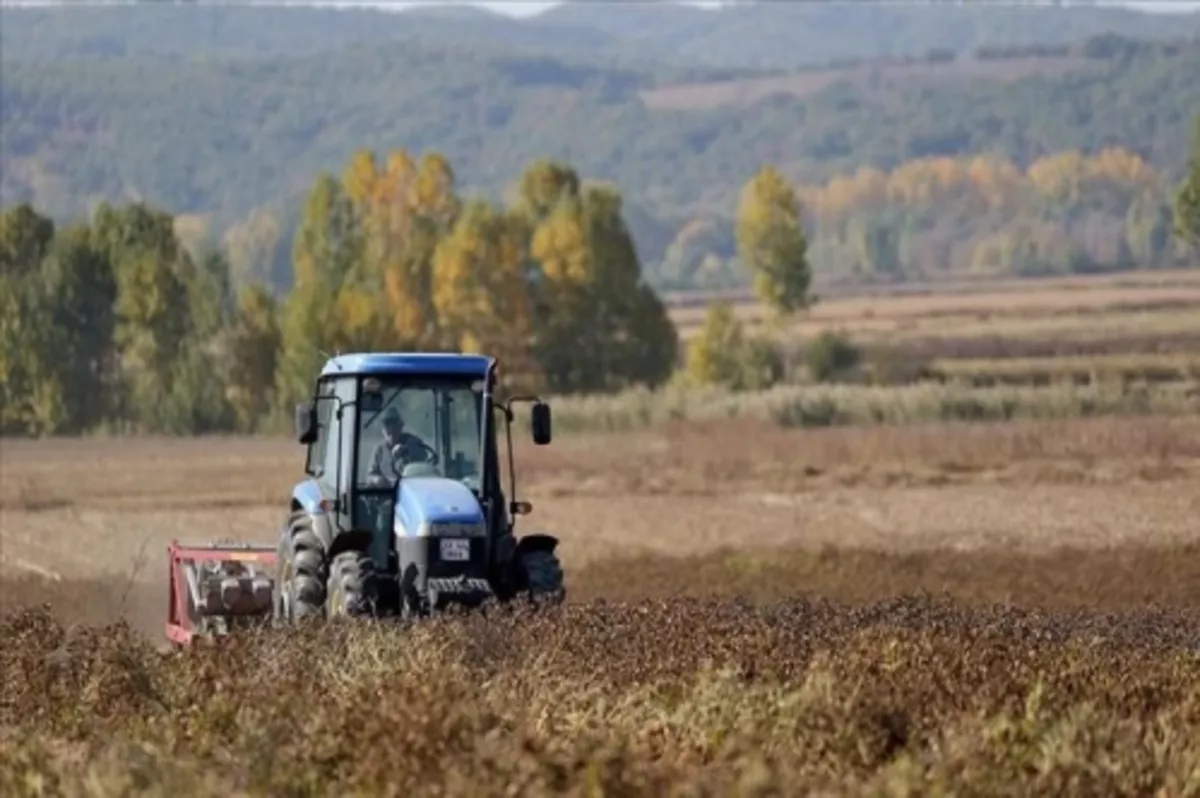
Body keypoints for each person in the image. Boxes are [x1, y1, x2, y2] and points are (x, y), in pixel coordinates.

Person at [365, 407, 435, 486]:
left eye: (394, 424)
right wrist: (377, 480)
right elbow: (371, 475)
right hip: (387, 493)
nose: (391, 429)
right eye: (387, 425)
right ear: (382, 430)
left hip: (410, 490)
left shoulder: (413, 442)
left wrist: (406, 451)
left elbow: (423, 462)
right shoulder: (379, 449)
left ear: (401, 426)